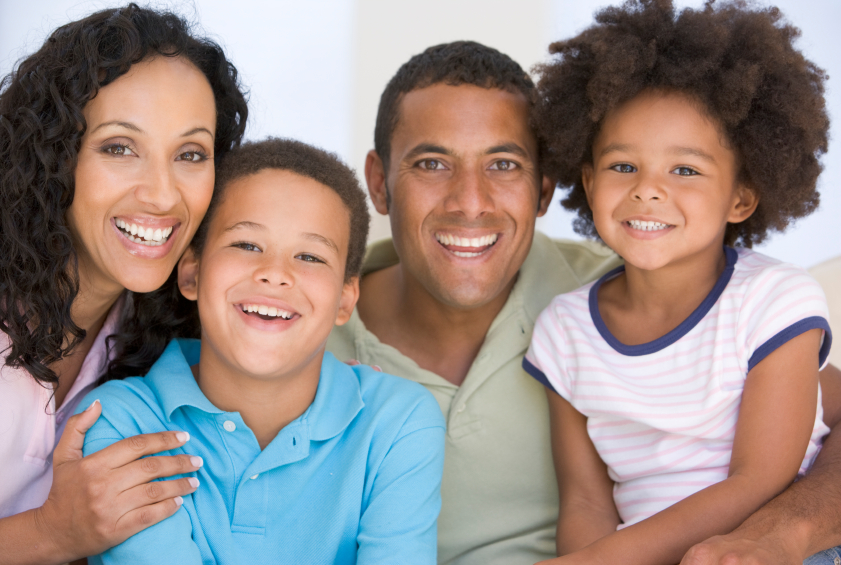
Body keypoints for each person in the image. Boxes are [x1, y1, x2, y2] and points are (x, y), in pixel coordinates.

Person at [325, 40, 841, 565]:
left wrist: (788, 532)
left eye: (502, 164)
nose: (470, 202)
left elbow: (814, 424)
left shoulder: (676, 282)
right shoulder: (294, 321)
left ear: (545, 185)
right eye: (432, 163)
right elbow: (586, 502)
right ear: (379, 182)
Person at [523, 1, 833, 563]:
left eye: (685, 170)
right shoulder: (563, 331)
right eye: (623, 166)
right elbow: (587, 502)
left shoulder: (774, 303)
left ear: (740, 197)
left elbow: (758, 479)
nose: (647, 190)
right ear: (589, 184)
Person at [76, 138, 446, 564]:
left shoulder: (398, 422)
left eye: (310, 256)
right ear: (192, 272)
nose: (275, 273)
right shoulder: (122, 424)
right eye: (247, 245)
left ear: (346, 299)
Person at [0, 6, 247, 564]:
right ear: (53, 157)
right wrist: (51, 533)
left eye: (190, 155)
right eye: (119, 148)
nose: (161, 194)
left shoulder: (164, 331)